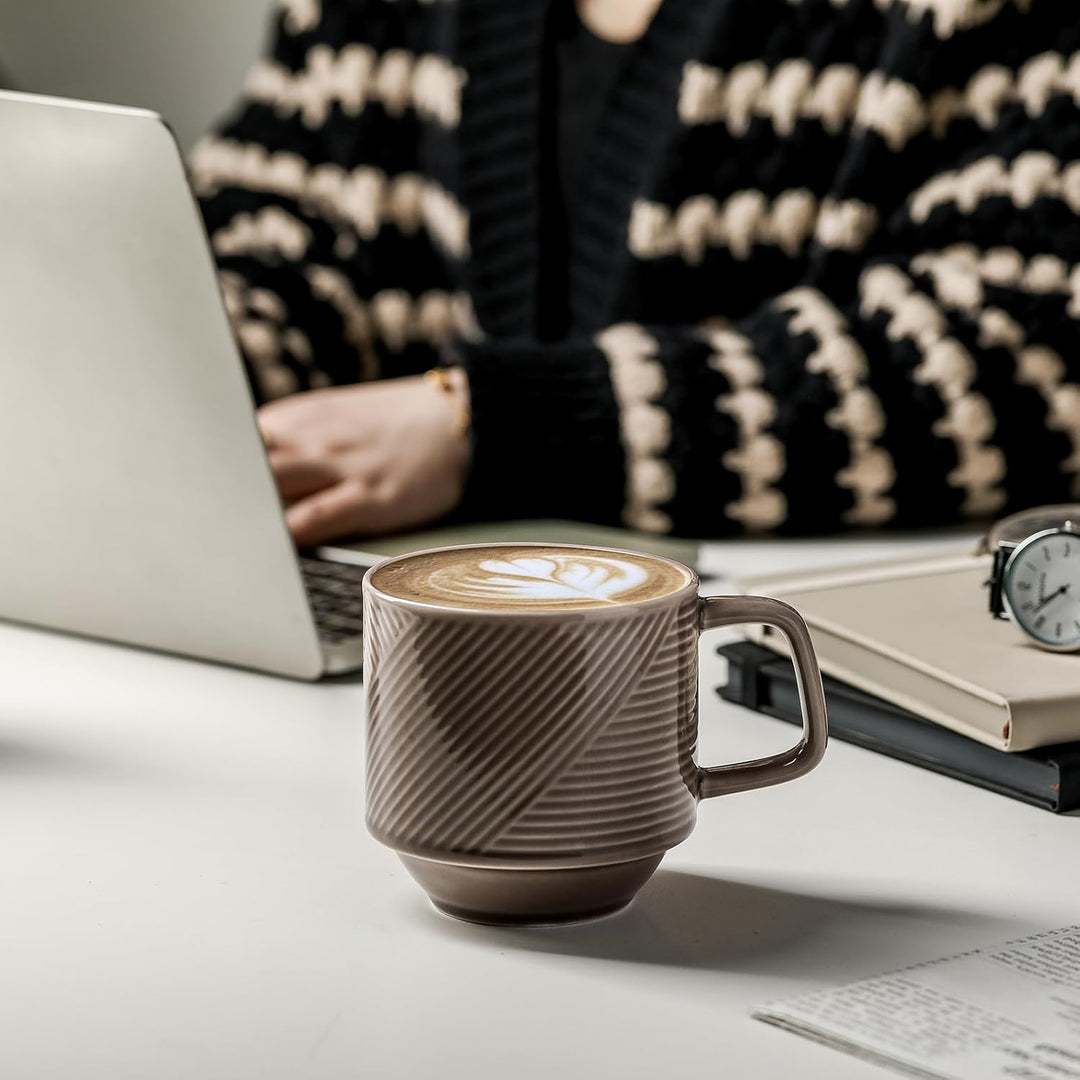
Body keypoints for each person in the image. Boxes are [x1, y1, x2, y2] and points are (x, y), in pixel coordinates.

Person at [193, 0, 1080, 547]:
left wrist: (499, 428)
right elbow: (285, 227)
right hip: (455, 636)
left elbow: (1029, 340)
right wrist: (190, 366)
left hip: (813, 681)